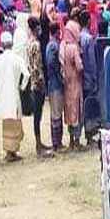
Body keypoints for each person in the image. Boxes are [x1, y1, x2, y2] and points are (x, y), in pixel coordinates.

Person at [0, 32, 30, 162]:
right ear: (12, 44)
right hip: (14, 94)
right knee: (15, 122)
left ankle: (10, 151)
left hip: (3, 96)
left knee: (7, 123)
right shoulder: (17, 58)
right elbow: (27, 75)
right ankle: (12, 152)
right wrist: (22, 87)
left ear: (2, 45)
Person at [26, 16, 52, 157]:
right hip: (37, 84)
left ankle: (39, 142)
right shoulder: (35, 44)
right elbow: (37, 67)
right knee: (38, 115)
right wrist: (41, 83)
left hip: (33, 82)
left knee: (38, 115)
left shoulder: (29, 43)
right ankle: (38, 145)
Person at [60, 16, 84, 151]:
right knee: (76, 110)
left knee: (69, 111)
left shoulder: (63, 46)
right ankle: (77, 140)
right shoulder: (74, 48)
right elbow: (79, 66)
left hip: (66, 84)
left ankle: (70, 141)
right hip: (75, 81)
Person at [79, 11, 99, 147]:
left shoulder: (78, 36)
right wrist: (95, 76)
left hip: (80, 75)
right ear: (87, 21)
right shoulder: (88, 39)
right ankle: (90, 135)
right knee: (90, 106)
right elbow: (91, 61)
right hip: (88, 77)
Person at [45, 22, 65, 151]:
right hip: (55, 83)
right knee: (56, 113)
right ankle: (56, 143)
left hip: (54, 82)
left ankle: (58, 141)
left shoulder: (51, 44)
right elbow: (52, 63)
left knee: (56, 113)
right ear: (56, 31)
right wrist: (59, 76)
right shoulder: (53, 46)